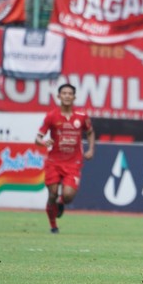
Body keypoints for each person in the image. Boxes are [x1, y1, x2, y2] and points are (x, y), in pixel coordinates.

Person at [36, 84, 95, 234]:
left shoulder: (81, 116)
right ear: (58, 96)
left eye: (70, 93)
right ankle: (53, 225)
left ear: (74, 97)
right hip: (54, 162)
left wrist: (91, 149)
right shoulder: (51, 116)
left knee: (68, 195)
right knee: (53, 193)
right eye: (64, 93)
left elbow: (90, 132)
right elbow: (38, 137)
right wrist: (43, 142)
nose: (67, 96)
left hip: (73, 162)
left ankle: (61, 203)